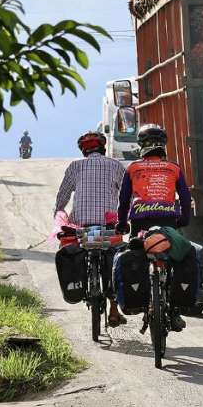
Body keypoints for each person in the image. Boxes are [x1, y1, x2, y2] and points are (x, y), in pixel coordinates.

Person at [117, 124, 193, 330]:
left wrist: (121, 223)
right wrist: (184, 220)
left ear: (141, 146)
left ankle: (142, 300)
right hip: (168, 222)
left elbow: (123, 201)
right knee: (177, 258)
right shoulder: (174, 168)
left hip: (140, 223)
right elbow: (186, 199)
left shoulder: (133, 168)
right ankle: (175, 311)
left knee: (139, 259)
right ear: (163, 147)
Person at [54, 131, 128, 327]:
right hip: (107, 226)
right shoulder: (115, 165)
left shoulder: (75, 166)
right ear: (102, 148)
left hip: (82, 226)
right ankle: (114, 308)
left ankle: (84, 281)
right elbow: (126, 194)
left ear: (83, 150)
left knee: (78, 250)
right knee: (114, 259)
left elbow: (63, 196)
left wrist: (59, 210)